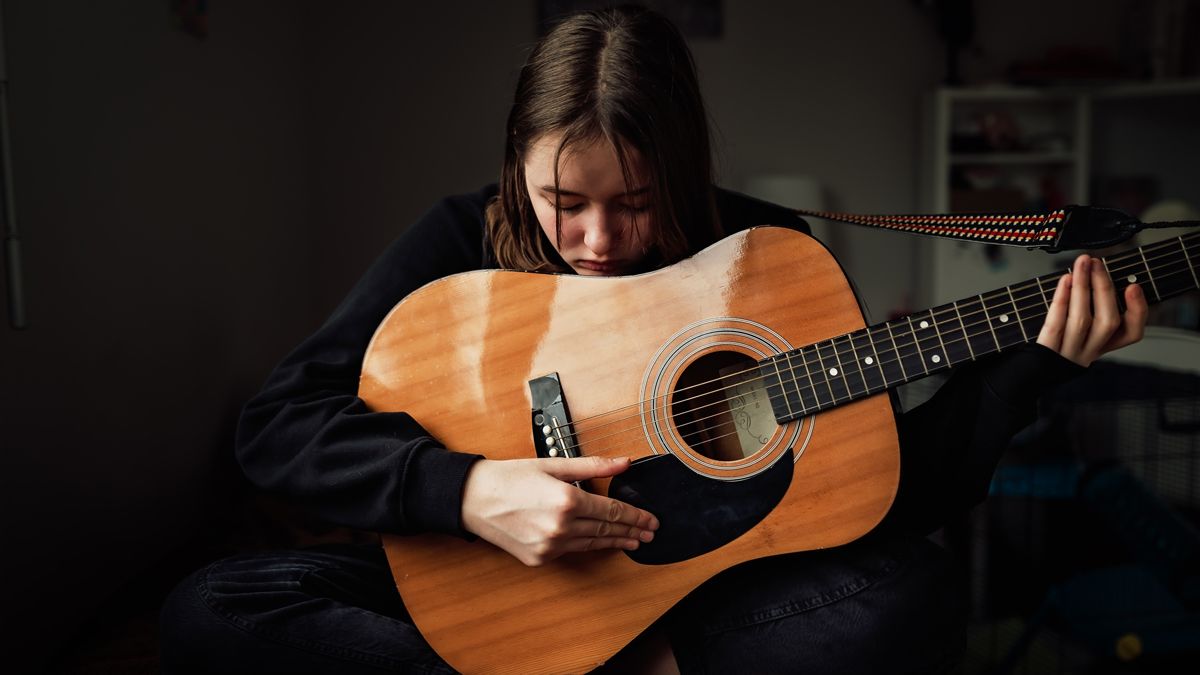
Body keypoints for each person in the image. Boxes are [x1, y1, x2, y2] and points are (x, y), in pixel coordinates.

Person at [159, 6, 1147, 673]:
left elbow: (878, 495)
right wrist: (466, 489)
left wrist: (1032, 365)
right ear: (518, 169)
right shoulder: (459, 240)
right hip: (484, 589)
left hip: (697, 608)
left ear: (684, 169)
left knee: (913, 599)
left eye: (634, 203)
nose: (596, 241)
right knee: (211, 611)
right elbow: (278, 427)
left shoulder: (769, 259)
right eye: (562, 202)